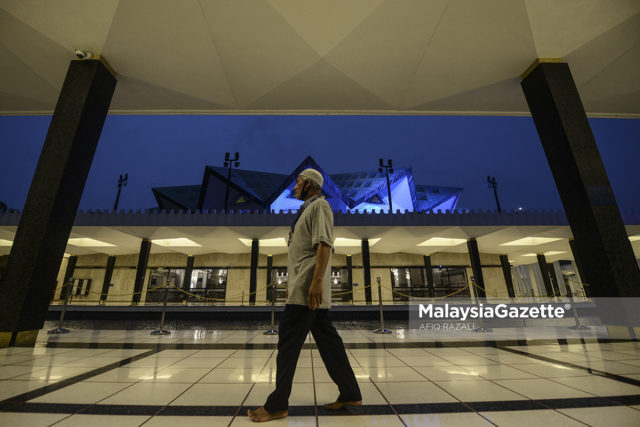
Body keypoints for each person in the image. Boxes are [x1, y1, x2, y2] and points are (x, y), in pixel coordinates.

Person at [248, 168, 362, 422]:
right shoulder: (307, 210)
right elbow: (303, 254)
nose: (294, 187)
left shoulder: (320, 206)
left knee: (288, 346)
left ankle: (277, 405)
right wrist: (294, 282)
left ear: (309, 183)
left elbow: (324, 245)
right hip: (303, 287)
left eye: (298, 183)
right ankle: (351, 392)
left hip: (307, 290)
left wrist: (316, 283)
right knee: (329, 344)